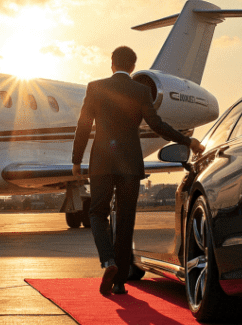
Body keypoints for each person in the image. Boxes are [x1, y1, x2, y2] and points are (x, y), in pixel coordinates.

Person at [72, 46, 204, 296]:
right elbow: (157, 125)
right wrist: (188, 141)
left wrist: (76, 159)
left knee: (97, 213)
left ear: (111, 64)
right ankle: (120, 281)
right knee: (125, 219)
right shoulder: (141, 90)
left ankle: (108, 262)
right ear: (133, 67)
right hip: (130, 164)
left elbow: (83, 125)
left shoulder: (95, 87)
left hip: (101, 161)